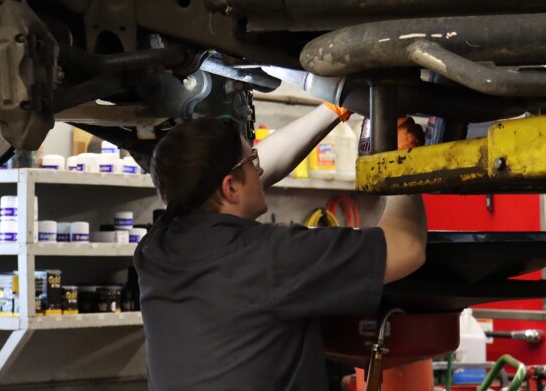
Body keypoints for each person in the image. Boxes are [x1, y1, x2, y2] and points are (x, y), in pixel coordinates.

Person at [133, 105, 427, 390]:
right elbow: (407, 246)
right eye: (252, 163)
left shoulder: (155, 249)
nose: (260, 171)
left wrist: (333, 109)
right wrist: (401, 165)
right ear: (230, 188)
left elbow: (218, 180)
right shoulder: (269, 256)